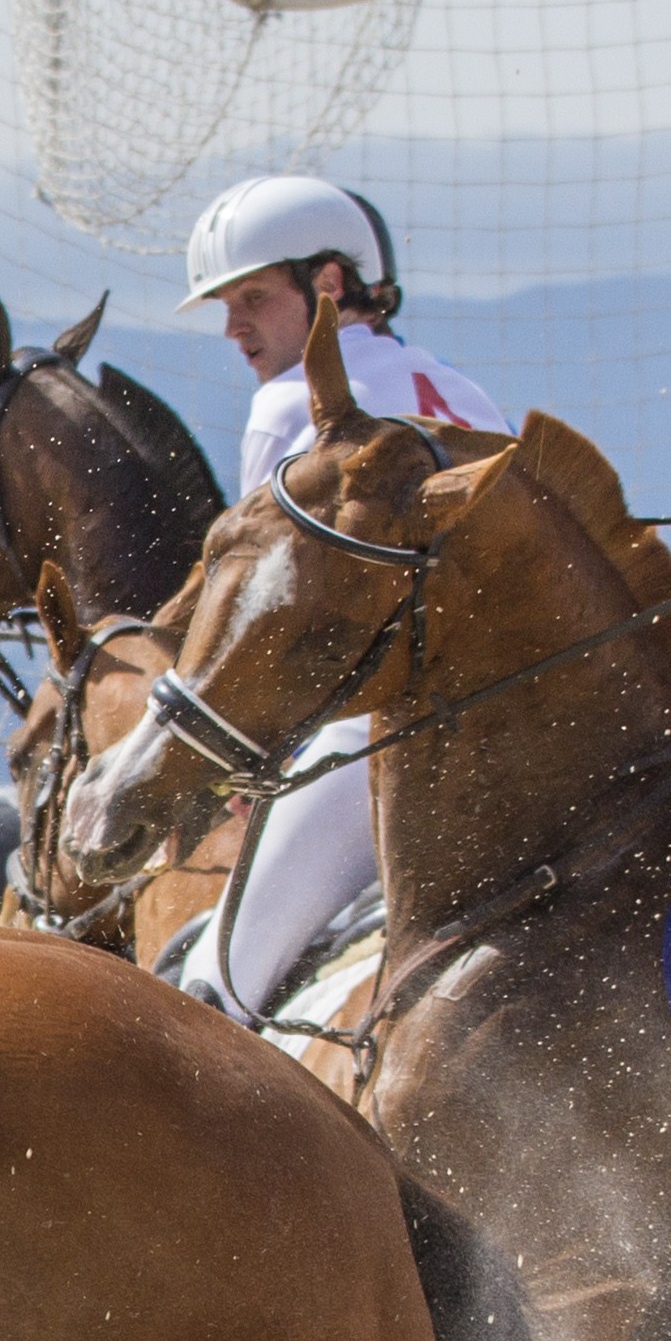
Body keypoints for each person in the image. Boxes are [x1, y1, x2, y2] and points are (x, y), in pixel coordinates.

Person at [172, 175, 508, 1026]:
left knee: (211, 998)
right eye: (224, 303)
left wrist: (245, 772)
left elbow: (264, 623)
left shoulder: (289, 407)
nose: (232, 325)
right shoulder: (459, 389)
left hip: (373, 740)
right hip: (509, 726)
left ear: (327, 283)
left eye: (253, 297)